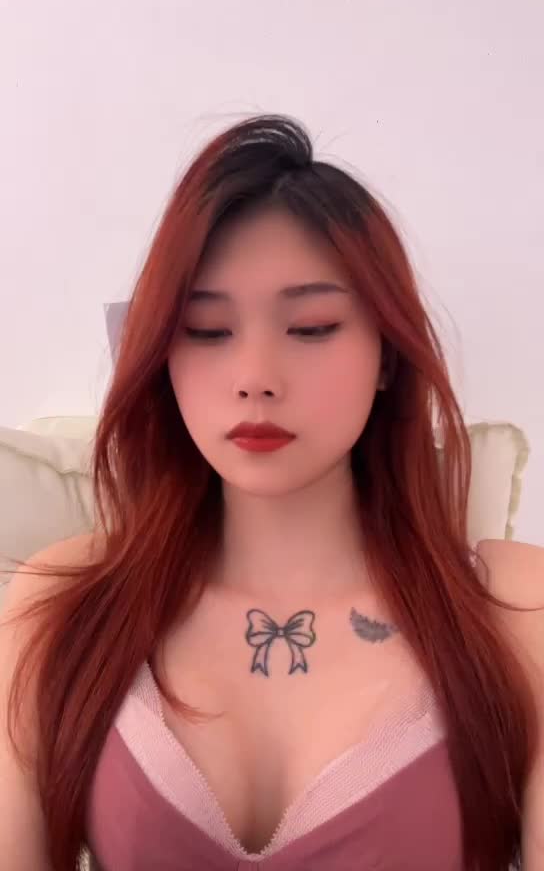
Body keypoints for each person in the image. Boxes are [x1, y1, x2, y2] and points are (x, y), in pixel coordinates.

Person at [0, 114, 542, 871]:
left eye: (312, 327)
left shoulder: (517, 609)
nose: (255, 376)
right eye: (206, 330)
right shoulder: (62, 602)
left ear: (388, 355)